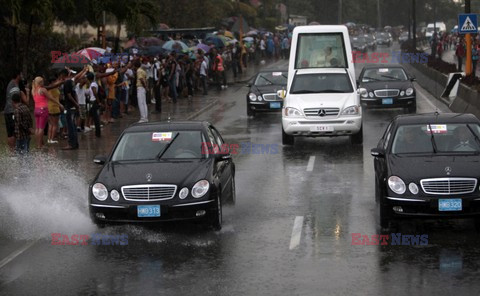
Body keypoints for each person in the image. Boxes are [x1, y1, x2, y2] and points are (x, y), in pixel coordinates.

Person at [32, 76, 62, 149]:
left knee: (37, 128)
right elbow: (51, 98)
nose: (44, 82)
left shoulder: (33, 90)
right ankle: (40, 145)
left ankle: (38, 144)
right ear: (40, 82)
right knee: (41, 128)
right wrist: (59, 104)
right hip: (43, 109)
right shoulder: (43, 90)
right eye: (42, 81)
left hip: (36, 109)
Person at [4, 70, 23, 152]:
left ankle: (12, 151)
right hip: (11, 111)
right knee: (12, 132)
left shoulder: (12, 84)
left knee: (11, 132)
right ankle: (12, 151)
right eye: (21, 74)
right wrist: (17, 108)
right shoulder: (14, 85)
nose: (22, 76)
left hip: (8, 111)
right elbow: (14, 99)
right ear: (18, 75)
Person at [47, 77, 63, 144]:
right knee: (55, 124)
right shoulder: (53, 88)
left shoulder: (49, 89)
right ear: (52, 82)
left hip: (49, 106)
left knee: (51, 124)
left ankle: (49, 139)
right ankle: (52, 139)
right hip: (55, 107)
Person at [86, 72, 102, 137]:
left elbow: (95, 93)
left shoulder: (93, 85)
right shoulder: (94, 84)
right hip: (93, 101)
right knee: (91, 115)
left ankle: (97, 133)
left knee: (95, 118)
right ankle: (88, 126)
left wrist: (98, 101)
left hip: (94, 101)